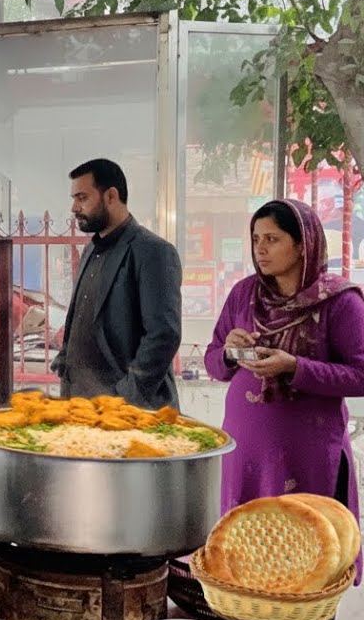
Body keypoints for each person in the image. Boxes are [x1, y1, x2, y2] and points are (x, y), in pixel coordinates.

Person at [205, 198, 364, 583]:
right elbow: (213, 360)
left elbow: (361, 373)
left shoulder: (340, 302)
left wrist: (296, 368)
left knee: (307, 566)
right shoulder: (245, 295)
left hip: (307, 457)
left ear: (303, 244)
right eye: (256, 238)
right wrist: (230, 353)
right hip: (247, 456)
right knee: (246, 567)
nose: (260, 249)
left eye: (273, 239)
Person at [52, 158, 182, 409]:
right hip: (81, 404)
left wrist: (124, 398)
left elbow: (163, 335)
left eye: (82, 197)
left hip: (125, 410)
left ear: (111, 196)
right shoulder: (91, 249)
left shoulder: (153, 252)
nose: (74, 207)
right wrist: (65, 360)